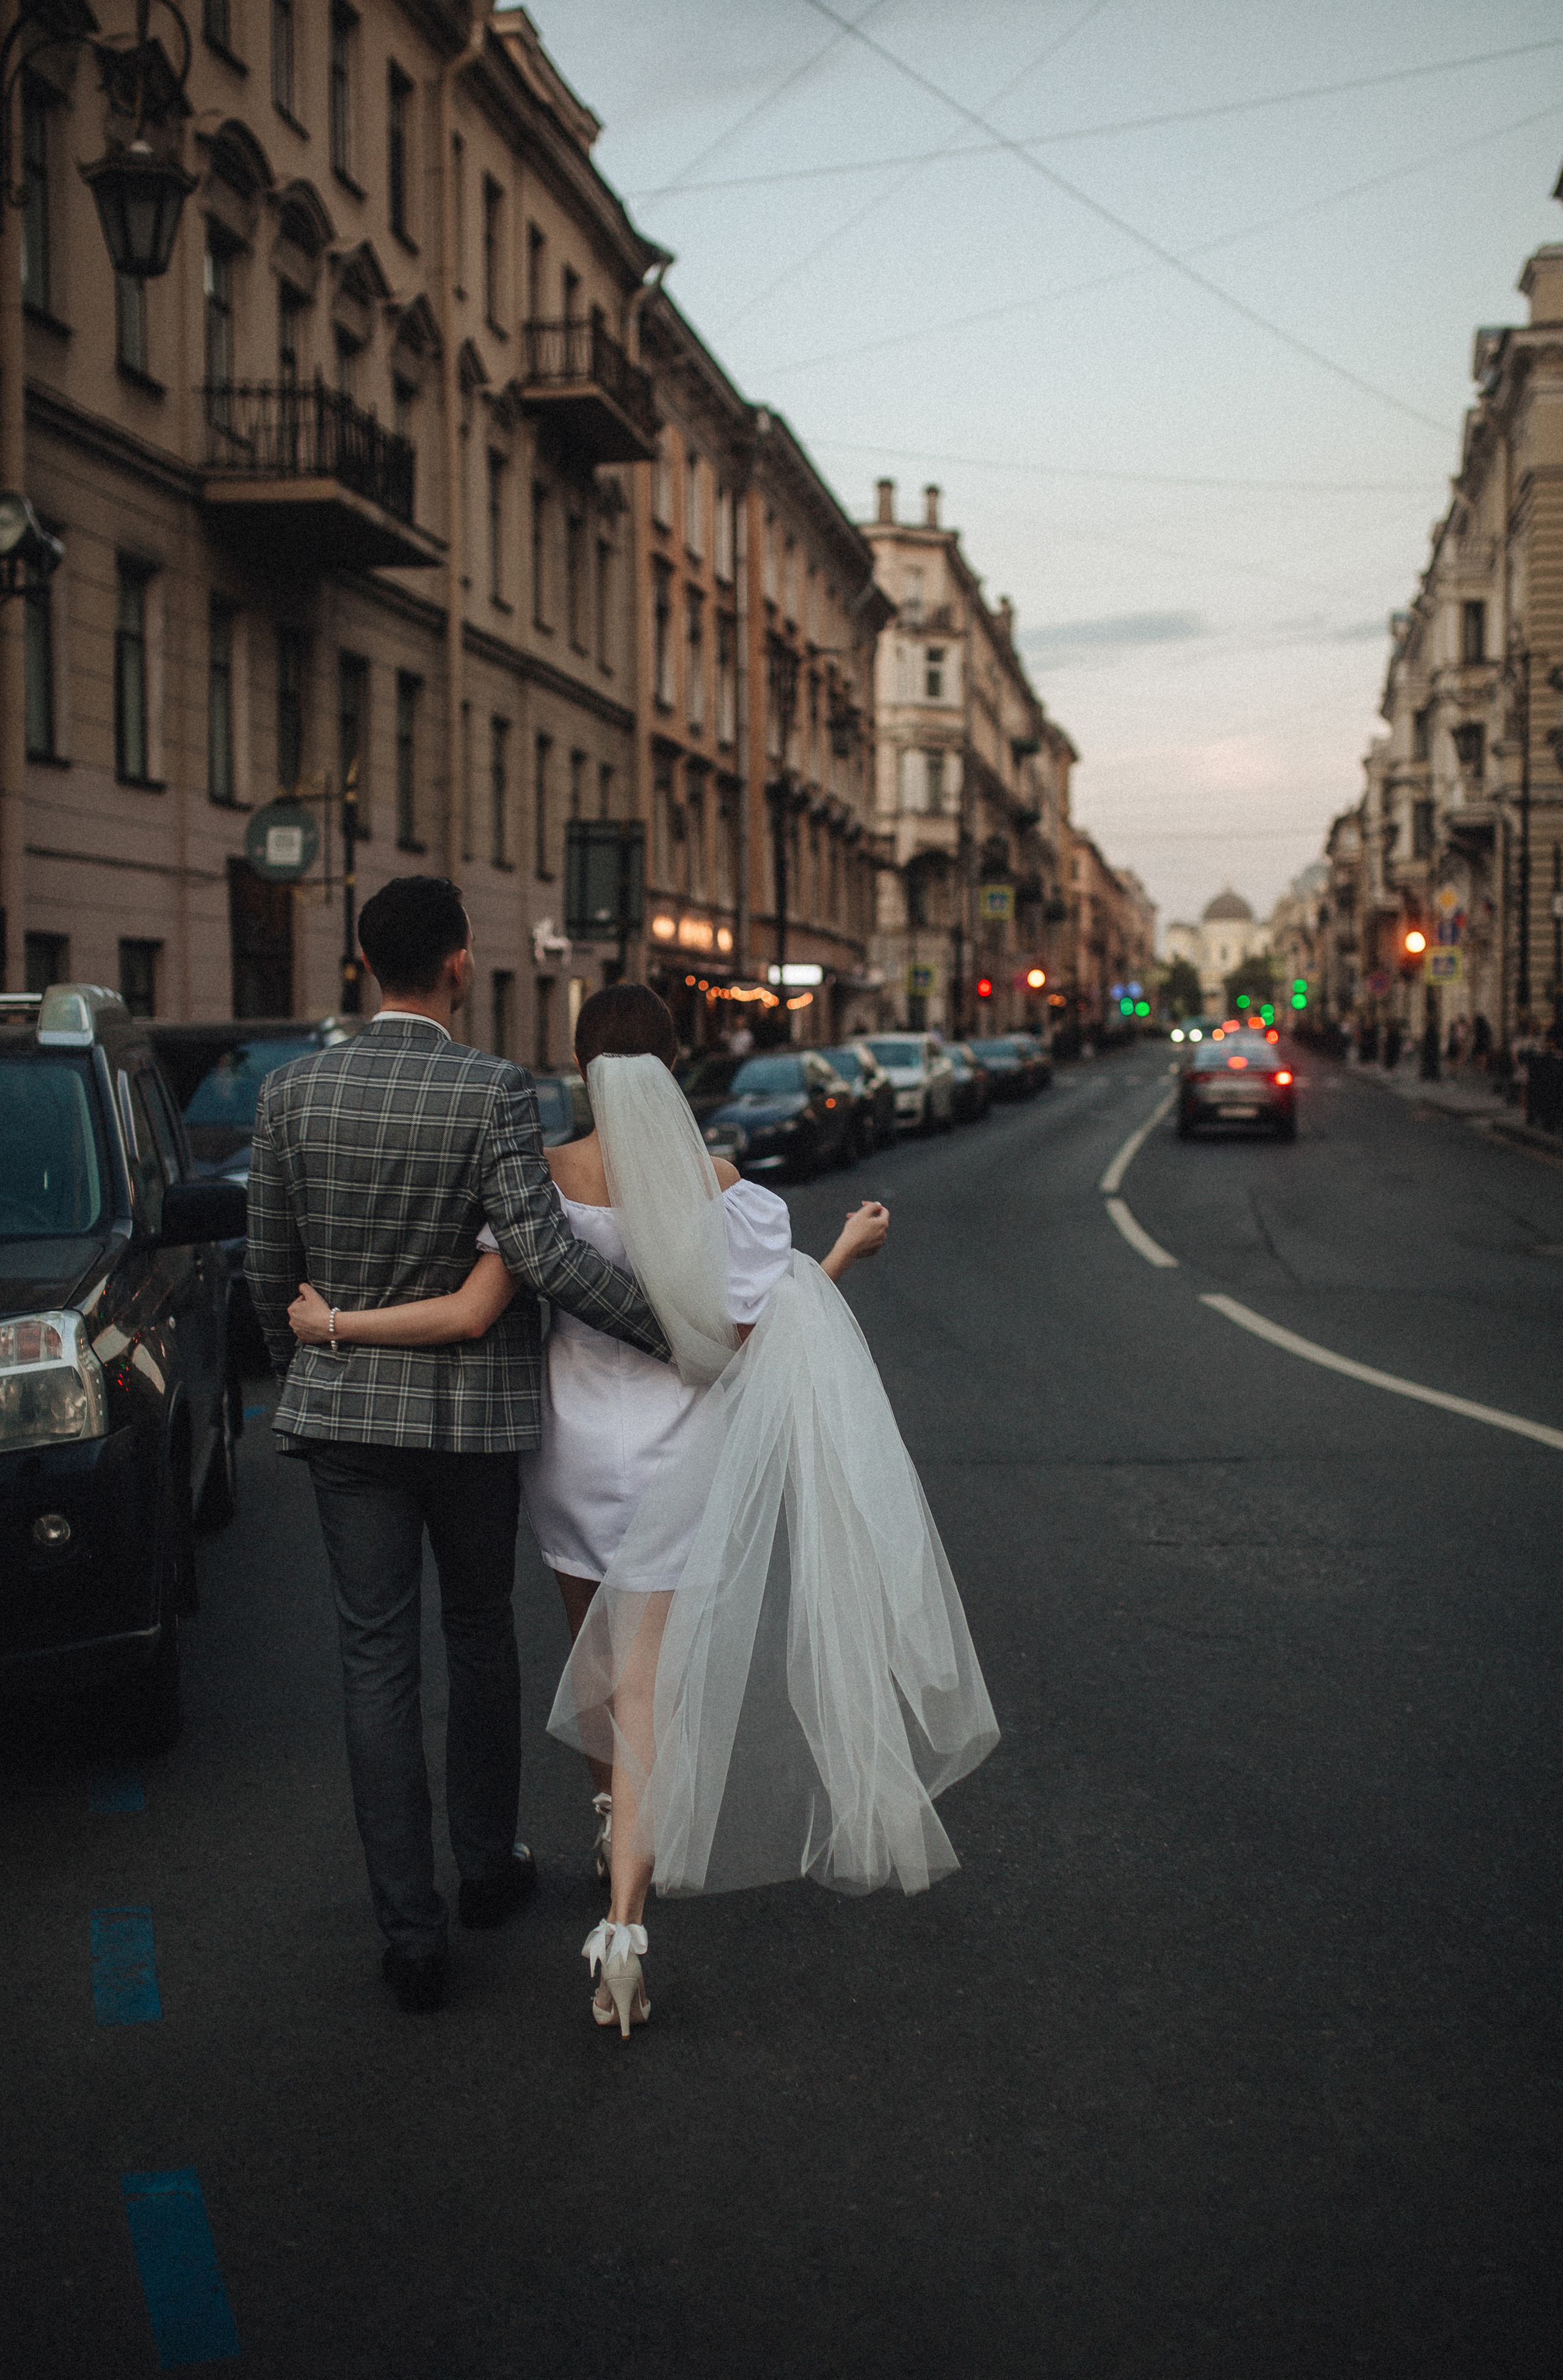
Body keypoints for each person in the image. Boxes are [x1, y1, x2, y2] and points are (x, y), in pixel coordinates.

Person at [288, 984, 997, 2041]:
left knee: (598, 1664)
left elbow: (477, 1309)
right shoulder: (715, 1187)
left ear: (580, 1067)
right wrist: (845, 1248)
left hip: (570, 1452)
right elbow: (757, 1330)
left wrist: (333, 1321)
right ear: (672, 1067)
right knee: (643, 1691)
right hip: (678, 1455)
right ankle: (625, 1918)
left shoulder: (541, 1181)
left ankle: (615, 1831)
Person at [245, 879, 672, 2015]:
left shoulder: (290, 1094)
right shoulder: (492, 1089)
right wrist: (676, 1326)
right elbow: (542, 1253)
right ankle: (486, 1872)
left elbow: (265, 1271)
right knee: (481, 1633)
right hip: (476, 1427)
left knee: (375, 1662)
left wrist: (312, 1376)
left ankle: (412, 1933)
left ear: (366, 964)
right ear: (460, 965)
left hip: (347, 1425)